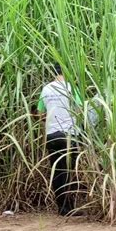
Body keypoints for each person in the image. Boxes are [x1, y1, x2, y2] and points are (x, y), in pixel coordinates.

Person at [37, 64, 83, 216]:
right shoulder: (71, 88)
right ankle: (70, 207)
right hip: (69, 135)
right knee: (70, 171)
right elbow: (80, 110)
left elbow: (39, 114)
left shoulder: (46, 89)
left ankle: (62, 207)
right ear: (66, 71)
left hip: (51, 135)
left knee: (57, 171)